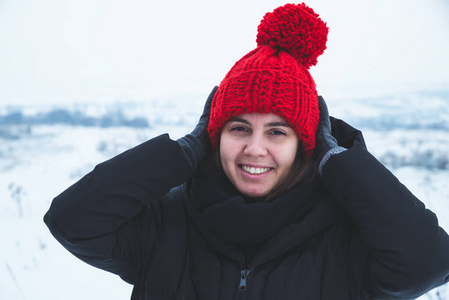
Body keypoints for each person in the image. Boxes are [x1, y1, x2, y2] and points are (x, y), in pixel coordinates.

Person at [44, 3, 449, 299]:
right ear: (213, 135)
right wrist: (186, 151)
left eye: (277, 132)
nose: (254, 148)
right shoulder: (165, 224)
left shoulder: (345, 238)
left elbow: (429, 264)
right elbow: (71, 220)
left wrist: (338, 163)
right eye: (238, 128)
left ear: (306, 144)